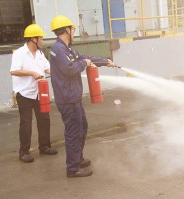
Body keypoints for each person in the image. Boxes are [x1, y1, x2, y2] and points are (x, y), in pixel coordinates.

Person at [49, 15, 116, 178]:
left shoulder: (67, 49)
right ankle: (73, 168)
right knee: (73, 132)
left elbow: (86, 57)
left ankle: (77, 158)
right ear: (66, 30)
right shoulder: (58, 49)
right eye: (72, 29)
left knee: (82, 128)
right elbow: (70, 69)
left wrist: (105, 61)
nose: (73, 31)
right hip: (68, 99)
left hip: (73, 98)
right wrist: (84, 64)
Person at [10, 24, 58, 163]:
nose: (42, 40)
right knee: (26, 123)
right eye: (40, 37)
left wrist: (60, 73)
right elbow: (14, 71)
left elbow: (48, 69)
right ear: (33, 38)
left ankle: (44, 146)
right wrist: (32, 73)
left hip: (39, 92)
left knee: (44, 119)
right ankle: (24, 152)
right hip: (24, 93)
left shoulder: (40, 54)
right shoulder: (19, 53)